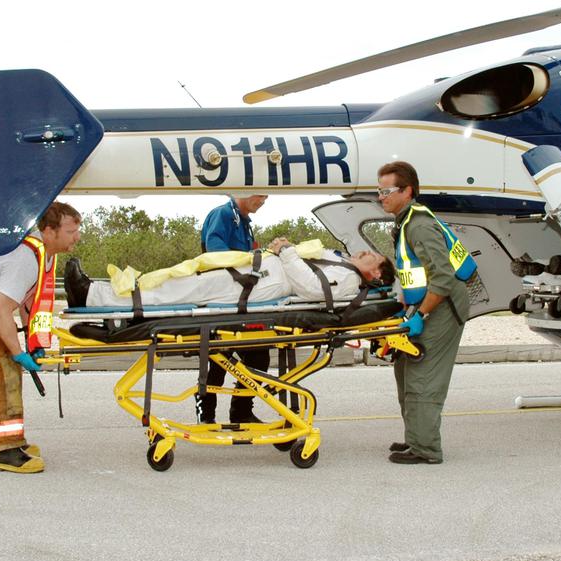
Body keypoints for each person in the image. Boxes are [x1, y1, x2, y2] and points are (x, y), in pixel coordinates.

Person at [0, 201, 82, 474]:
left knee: (6, 368)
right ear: (49, 230)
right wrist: (17, 352)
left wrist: (33, 344)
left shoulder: (44, 254)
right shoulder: (25, 259)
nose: (77, 237)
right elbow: (1, 311)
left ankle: (3, 441)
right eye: (71, 231)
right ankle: (5, 451)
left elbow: (26, 303)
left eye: (78, 230)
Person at [377, 161, 473, 465]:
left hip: (444, 305)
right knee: (404, 367)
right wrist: (408, 309)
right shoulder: (405, 222)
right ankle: (415, 437)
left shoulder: (418, 225)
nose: (381, 197)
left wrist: (422, 316)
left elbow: (443, 278)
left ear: (408, 191)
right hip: (427, 303)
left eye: (387, 191)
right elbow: (415, 274)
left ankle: (427, 448)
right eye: (379, 191)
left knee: (423, 372)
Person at [63, 239, 394, 309]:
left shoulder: (349, 279)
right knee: (176, 281)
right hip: (253, 273)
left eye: (373, 257)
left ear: (375, 275)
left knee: (175, 293)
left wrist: (286, 251)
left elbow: (311, 287)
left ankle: (90, 295)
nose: (366, 252)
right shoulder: (340, 262)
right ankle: (97, 289)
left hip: (256, 284)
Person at [198, 194, 269, 425]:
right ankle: (206, 417)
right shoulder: (224, 215)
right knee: (219, 361)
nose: (264, 201)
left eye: (267, 196)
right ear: (245, 191)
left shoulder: (244, 223)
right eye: (261, 195)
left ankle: (241, 411)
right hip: (222, 300)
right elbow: (216, 254)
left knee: (259, 356)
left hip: (241, 302)